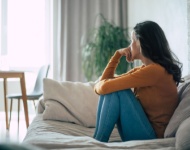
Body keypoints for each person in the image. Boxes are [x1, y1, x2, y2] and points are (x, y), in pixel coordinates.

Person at [93, 20, 183, 142]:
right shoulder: (146, 70)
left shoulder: (154, 71)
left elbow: (103, 87)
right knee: (115, 89)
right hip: (143, 129)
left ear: (140, 42)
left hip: (152, 136)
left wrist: (99, 85)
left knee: (119, 91)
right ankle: (97, 140)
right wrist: (117, 55)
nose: (129, 45)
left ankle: (98, 141)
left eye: (132, 40)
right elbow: (105, 83)